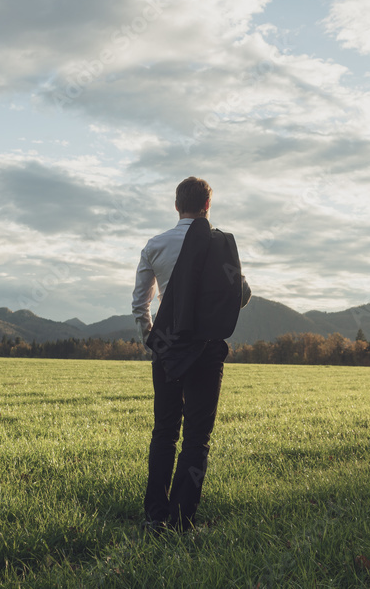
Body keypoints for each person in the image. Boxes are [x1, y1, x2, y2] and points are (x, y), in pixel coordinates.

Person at [131, 176, 251, 534]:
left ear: (176, 204)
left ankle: (155, 517)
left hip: (168, 345)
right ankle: (183, 521)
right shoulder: (221, 245)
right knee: (197, 435)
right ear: (207, 206)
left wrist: (152, 337)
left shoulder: (156, 244)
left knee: (164, 431)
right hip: (208, 346)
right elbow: (241, 295)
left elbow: (140, 303)